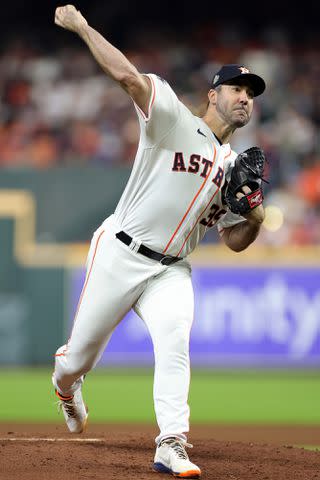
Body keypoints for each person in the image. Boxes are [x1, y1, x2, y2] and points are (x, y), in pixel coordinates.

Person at [52, 5, 266, 479]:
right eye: (238, 89)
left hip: (172, 269)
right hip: (120, 252)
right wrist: (83, 27)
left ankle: (172, 442)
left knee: (175, 340)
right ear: (213, 95)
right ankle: (65, 385)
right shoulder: (171, 116)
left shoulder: (235, 168)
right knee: (78, 357)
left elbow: (233, 240)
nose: (246, 98)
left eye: (252, 94)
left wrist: (257, 214)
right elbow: (129, 77)